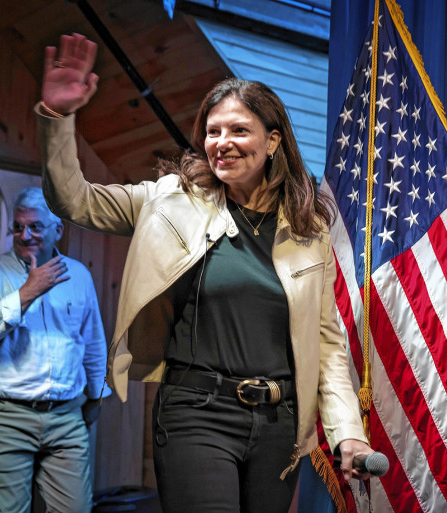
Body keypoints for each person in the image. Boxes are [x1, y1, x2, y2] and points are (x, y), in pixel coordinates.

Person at [36, 33, 374, 513]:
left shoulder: (307, 230)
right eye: (213, 132)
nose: (222, 143)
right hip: (197, 413)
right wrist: (58, 117)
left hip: (280, 426)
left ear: (273, 140)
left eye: (238, 130)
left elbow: (327, 345)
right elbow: (73, 200)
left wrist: (348, 437)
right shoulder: (168, 200)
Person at [0, 186, 111, 513]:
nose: (25, 234)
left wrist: (97, 396)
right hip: (4, 415)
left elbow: (93, 343)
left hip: (66, 417)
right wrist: (26, 293)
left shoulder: (79, 276)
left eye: (35, 226)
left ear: (58, 229)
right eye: (18, 227)